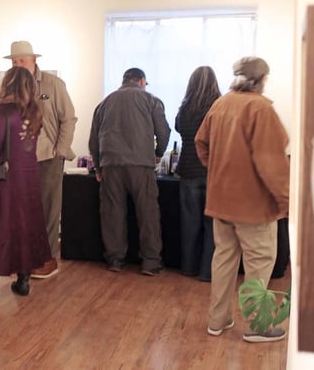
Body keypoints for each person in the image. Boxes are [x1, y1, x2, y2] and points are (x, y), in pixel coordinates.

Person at [196, 56, 289, 343]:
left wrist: (219, 172)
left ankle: (217, 320)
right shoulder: (260, 109)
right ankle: (257, 326)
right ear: (261, 79)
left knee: (223, 259)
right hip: (253, 206)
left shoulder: (220, 104)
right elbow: (272, 163)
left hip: (221, 202)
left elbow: (201, 143)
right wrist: (287, 201)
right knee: (259, 263)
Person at [0, 66, 52, 300]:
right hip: (28, 177)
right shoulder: (34, 111)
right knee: (25, 224)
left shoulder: (3, 111)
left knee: (1, 223)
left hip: (5, 178)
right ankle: (23, 280)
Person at [89, 67, 171, 275]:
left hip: (110, 164)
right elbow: (163, 132)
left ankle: (115, 260)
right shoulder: (151, 100)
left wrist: (98, 166)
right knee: (147, 213)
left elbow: (93, 140)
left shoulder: (105, 103)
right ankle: (151, 262)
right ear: (142, 81)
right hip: (141, 164)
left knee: (112, 213)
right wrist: (158, 154)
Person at [5, 41, 76, 279]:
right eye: (14, 61)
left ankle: (47, 258)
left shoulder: (52, 84)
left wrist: (60, 149)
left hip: (48, 156)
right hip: (20, 158)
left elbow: (68, 118)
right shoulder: (10, 88)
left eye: (22, 60)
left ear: (34, 60)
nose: (18, 65)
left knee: (48, 208)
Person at [175, 66, 221, 281]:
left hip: (187, 171)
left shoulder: (184, 109)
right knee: (212, 226)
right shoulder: (218, 108)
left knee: (189, 224)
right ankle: (207, 272)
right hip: (212, 171)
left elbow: (178, 129)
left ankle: (188, 267)